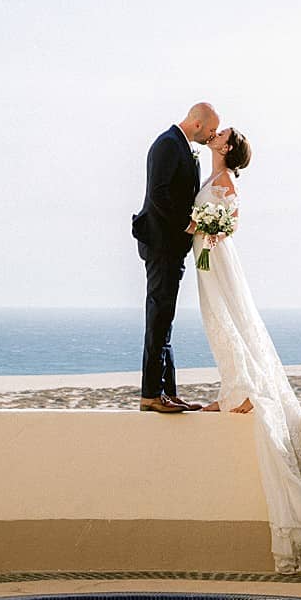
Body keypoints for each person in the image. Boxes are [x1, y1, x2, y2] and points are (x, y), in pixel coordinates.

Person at [192, 125, 301, 571]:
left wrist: (202, 228)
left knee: (226, 318)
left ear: (226, 148)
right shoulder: (209, 178)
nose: (215, 135)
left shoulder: (224, 184)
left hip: (215, 259)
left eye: (221, 134)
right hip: (204, 258)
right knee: (215, 320)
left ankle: (240, 388)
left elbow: (230, 225)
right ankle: (235, 386)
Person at [131, 102, 218, 414]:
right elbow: (159, 193)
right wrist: (188, 224)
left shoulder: (182, 145)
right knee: (158, 316)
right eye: (210, 131)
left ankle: (167, 391)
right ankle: (151, 394)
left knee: (165, 318)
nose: (212, 137)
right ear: (197, 123)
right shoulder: (168, 144)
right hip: (161, 244)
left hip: (171, 246)